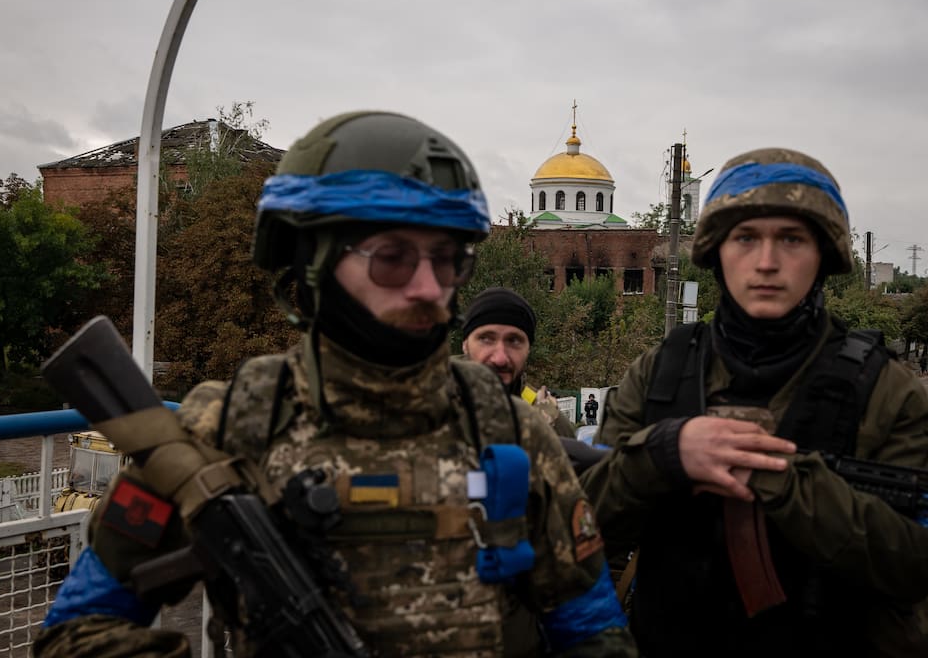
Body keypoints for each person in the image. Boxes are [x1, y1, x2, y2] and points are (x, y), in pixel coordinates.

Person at [33, 112, 636, 657]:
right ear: (310, 262)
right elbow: (80, 630)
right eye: (392, 257)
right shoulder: (226, 430)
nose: (430, 287)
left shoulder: (508, 428)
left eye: (447, 258)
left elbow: (591, 627)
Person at [579, 147, 928, 656]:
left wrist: (782, 478)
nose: (767, 263)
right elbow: (583, 533)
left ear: (823, 255)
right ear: (716, 252)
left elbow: (921, 565)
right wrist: (662, 454)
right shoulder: (658, 373)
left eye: (792, 239)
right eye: (745, 238)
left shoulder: (885, 390)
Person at [460, 286, 577, 438]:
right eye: (486, 339)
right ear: (465, 345)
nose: (500, 358)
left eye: (514, 341)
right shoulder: (431, 402)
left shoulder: (552, 425)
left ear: (528, 350)